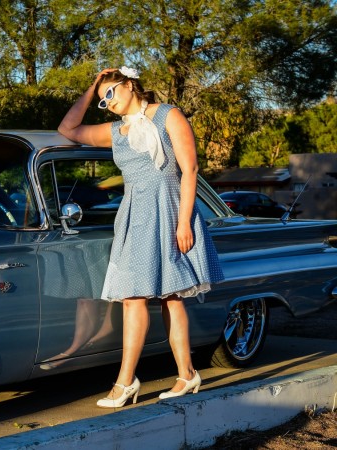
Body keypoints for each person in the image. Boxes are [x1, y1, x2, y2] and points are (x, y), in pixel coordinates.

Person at [57, 67, 224, 408]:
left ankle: (186, 373)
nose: (109, 102)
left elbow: (189, 170)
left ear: (130, 84)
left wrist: (184, 224)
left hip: (171, 211)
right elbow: (68, 129)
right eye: (103, 99)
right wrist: (91, 88)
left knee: (171, 298)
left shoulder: (169, 115)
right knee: (133, 297)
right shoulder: (115, 130)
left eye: (111, 93)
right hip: (134, 217)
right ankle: (127, 380)